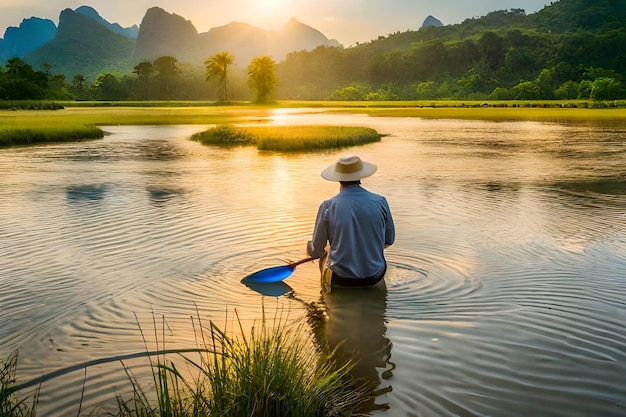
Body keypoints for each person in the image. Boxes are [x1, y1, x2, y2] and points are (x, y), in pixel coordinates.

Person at [307, 154, 395, 289]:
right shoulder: (380, 201)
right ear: (360, 175)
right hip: (375, 276)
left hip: (341, 279)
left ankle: (324, 300)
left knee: (323, 255)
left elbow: (316, 253)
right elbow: (389, 240)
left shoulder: (328, 206)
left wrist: (310, 247)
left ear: (338, 178)